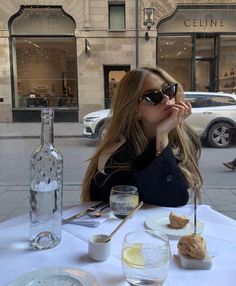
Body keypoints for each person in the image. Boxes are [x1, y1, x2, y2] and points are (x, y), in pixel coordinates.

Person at [81, 67, 203, 207]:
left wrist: (162, 136)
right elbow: (174, 198)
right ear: (134, 110)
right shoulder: (116, 155)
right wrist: (161, 136)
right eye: (153, 96)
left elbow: (180, 198)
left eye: (168, 90)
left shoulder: (187, 138)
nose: (166, 98)